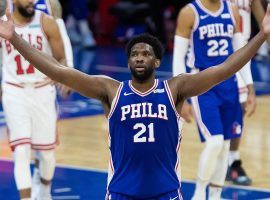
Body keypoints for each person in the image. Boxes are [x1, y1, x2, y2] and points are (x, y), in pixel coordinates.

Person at [0, 5, 270, 199]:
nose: (139, 57)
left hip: (166, 193)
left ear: (156, 61)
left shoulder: (175, 89)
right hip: (121, 193)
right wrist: (14, 38)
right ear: (128, 61)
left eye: (146, 53)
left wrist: (261, 35)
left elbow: (224, 69)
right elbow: (58, 71)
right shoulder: (111, 90)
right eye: (134, 54)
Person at [172, 0, 256, 199]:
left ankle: (216, 195)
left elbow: (240, 53)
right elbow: (178, 57)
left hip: (229, 85)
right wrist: (180, 95)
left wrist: (250, 87)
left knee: (226, 145)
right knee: (215, 142)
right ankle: (200, 193)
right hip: (202, 85)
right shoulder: (189, 12)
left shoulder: (232, 9)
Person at [0, 0, 70, 199]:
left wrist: (66, 77)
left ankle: (44, 191)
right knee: (20, 151)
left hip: (42, 91)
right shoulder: (4, 23)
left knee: (47, 155)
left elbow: (61, 58)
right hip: (14, 91)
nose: (31, 1)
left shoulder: (46, 22)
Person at [226, 0, 269, 186]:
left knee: (241, 107)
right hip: (221, 52)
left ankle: (232, 161)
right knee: (224, 109)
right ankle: (224, 159)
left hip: (243, 51)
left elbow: (263, 22)